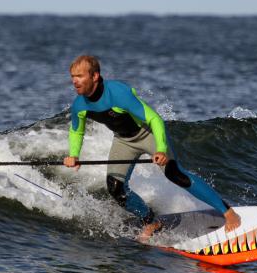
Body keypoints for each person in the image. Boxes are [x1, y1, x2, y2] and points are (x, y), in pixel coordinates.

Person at [63, 55, 241, 242]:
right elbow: (76, 131)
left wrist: (161, 149)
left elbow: (154, 119)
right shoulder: (79, 105)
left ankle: (228, 212)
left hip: (147, 134)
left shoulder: (118, 93)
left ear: (95, 76)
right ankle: (151, 221)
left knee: (175, 174)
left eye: (80, 76)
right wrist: (73, 155)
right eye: (72, 76)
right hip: (124, 141)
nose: (75, 81)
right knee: (116, 188)